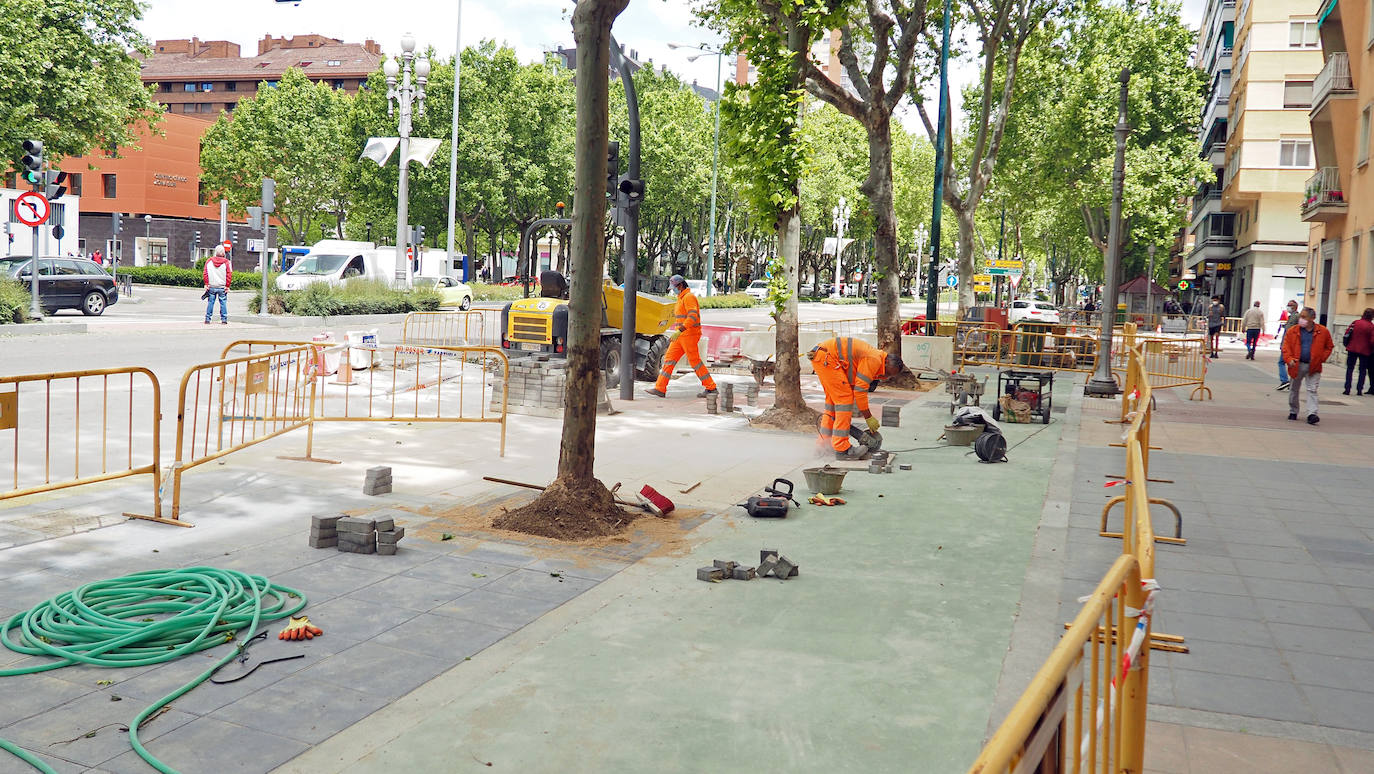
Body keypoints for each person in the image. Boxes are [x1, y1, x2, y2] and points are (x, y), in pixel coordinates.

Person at [810, 337, 903, 460]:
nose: (885, 377)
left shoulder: (875, 358)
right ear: (886, 362)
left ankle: (824, 445)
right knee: (844, 400)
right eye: (888, 373)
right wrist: (868, 417)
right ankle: (842, 449)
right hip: (827, 358)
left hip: (823, 357)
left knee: (833, 404)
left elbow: (854, 385)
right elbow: (860, 391)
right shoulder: (874, 360)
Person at [646, 275, 717, 399]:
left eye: (674, 287)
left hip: (689, 335)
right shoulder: (681, 298)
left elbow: (692, 317)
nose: (673, 290)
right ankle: (660, 388)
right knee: (669, 360)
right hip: (681, 336)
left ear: (681, 285)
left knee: (695, 362)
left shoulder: (689, 297)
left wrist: (679, 331)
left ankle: (711, 387)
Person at [1282, 307, 1333, 424]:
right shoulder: (1293, 331)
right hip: (1296, 365)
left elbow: (1329, 346)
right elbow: (1286, 347)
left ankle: (1312, 414)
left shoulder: (1323, 331)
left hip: (1313, 366)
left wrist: (1321, 358)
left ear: (1312, 318)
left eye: (1304, 317)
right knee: (1294, 389)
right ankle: (1293, 411)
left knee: (1312, 390)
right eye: (1301, 316)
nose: (1301, 319)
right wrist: (1289, 359)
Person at [1342, 308, 1374, 396]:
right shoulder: (1371, 326)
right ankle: (1359, 390)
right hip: (1365, 350)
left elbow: (1347, 333)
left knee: (1349, 369)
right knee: (1362, 370)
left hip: (1352, 348)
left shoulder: (1355, 323)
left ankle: (1347, 389)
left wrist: (1347, 344)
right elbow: (1372, 340)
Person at [203, 245, 232, 325]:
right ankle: (224, 319)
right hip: (222, 287)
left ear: (215, 252)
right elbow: (229, 274)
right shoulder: (227, 262)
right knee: (223, 303)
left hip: (212, 286)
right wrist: (227, 286)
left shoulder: (209, 261)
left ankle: (207, 319)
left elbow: (205, 273)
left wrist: (206, 283)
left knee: (210, 302)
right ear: (223, 253)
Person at [1275, 299, 1300, 390]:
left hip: (1289, 345)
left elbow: (1290, 332)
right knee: (1290, 363)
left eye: (1290, 305)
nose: (1288, 307)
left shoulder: (1295, 317)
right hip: (1289, 344)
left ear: (1295, 307)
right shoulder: (1292, 317)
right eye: (1288, 305)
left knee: (1282, 362)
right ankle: (1291, 383)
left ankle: (1284, 381)